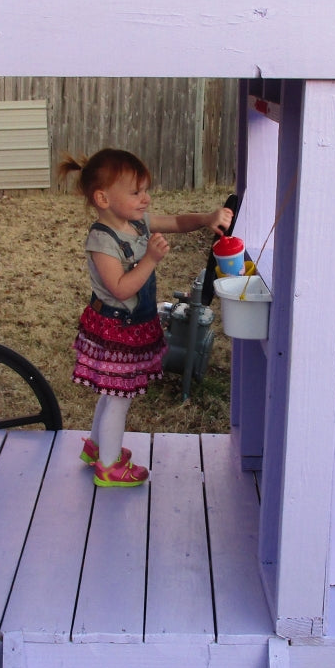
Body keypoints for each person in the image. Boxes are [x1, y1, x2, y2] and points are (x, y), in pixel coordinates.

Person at [59, 149, 232, 487]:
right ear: (103, 198)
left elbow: (179, 222)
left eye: (145, 189)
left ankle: (97, 448)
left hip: (131, 326)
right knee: (119, 398)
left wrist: (207, 217)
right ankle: (108, 467)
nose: (146, 198)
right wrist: (150, 260)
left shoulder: (136, 223)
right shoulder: (102, 241)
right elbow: (121, 289)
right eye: (136, 192)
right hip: (117, 329)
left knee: (111, 393)